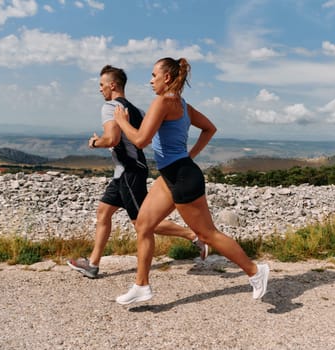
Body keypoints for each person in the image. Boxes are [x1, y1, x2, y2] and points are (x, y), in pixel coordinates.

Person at [113, 57, 269, 305]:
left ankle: (255, 271)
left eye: (154, 75)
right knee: (143, 225)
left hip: (183, 177)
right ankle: (141, 285)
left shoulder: (163, 101)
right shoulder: (183, 105)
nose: (150, 80)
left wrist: (121, 122)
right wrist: (189, 156)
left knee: (207, 234)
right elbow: (210, 128)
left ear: (166, 78)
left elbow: (141, 140)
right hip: (173, 174)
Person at [67, 65, 207, 279]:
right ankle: (93, 264)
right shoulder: (137, 110)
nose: (100, 89)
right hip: (125, 171)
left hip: (130, 172)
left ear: (113, 85)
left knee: (142, 223)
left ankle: (193, 235)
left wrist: (95, 142)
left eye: (101, 85)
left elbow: (113, 138)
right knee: (104, 212)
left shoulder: (110, 107)